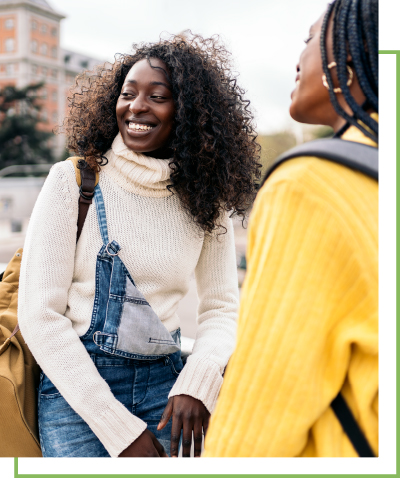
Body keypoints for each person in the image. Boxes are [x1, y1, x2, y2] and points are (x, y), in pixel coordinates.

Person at [18, 34, 261, 458]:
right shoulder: (73, 180)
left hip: (170, 397)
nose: (136, 107)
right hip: (77, 396)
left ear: (188, 112)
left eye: (158, 96)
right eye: (128, 94)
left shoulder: (206, 198)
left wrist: (199, 382)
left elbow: (222, 307)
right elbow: (40, 315)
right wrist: (118, 429)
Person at [203, 0, 378, 457]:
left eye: (308, 39)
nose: (297, 59)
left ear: (352, 55)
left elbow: (264, 403)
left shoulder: (313, 185)